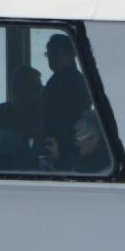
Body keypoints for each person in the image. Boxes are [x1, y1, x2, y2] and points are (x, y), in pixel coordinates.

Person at [41, 33, 92, 167]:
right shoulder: (59, 79)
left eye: (56, 54)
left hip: (65, 143)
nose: (51, 59)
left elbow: (71, 115)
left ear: (70, 56)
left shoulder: (71, 81)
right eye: (48, 54)